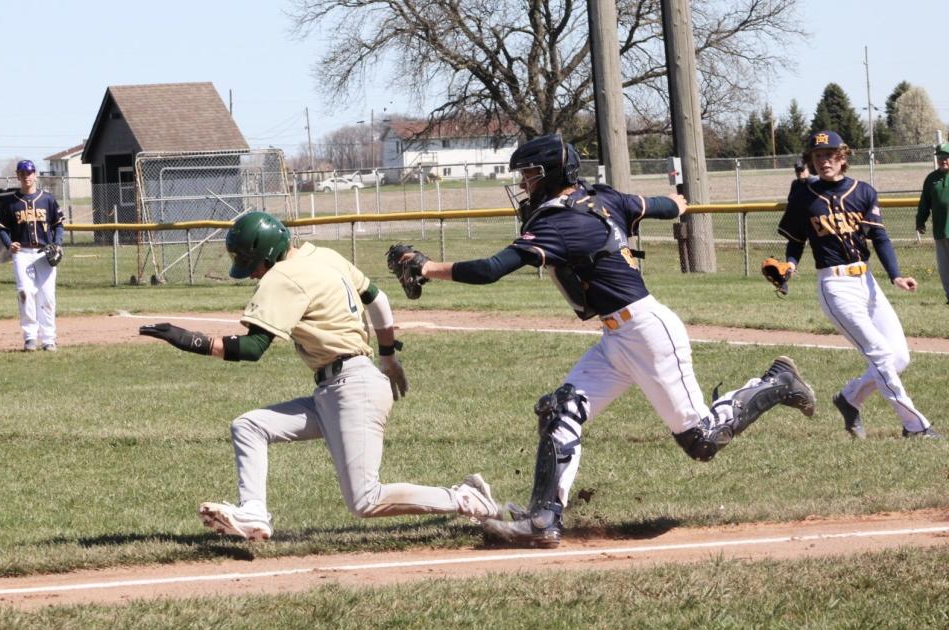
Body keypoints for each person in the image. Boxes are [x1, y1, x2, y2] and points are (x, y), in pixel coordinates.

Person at [397, 134, 816, 548]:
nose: (523, 184)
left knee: (701, 440)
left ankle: (779, 382)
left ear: (551, 174)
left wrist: (428, 267)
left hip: (648, 333)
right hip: (617, 337)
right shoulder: (601, 197)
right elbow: (667, 206)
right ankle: (543, 520)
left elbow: (491, 269)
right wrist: (676, 201)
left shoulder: (561, 221)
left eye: (528, 174)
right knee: (560, 410)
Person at [139, 211, 499, 541]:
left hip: (352, 390)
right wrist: (388, 357)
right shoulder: (323, 255)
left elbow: (252, 348)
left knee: (365, 500)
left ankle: (464, 498)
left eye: (251, 264)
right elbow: (378, 299)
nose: (249, 272)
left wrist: (189, 340)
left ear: (268, 254)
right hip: (340, 386)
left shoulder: (282, 278)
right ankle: (253, 514)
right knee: (250, 426)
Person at [779, 130, 941, 441]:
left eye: (830, 155)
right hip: (834, 286)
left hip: (866, 282)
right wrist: (790, 266)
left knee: (899, 357)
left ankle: (849, 398)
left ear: (842, 157)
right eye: (817, 156)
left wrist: (895, 274)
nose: (824, 161)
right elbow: (796, 242)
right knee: (879, 353)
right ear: (811, 162)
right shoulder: (803, 197)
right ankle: (915, 426)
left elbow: (879, 236)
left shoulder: (862, 191)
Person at [0, 160, 64, 351]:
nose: (26, 176)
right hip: (22, 253)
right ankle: (30, 337)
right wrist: (9, 244)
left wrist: (57, 244)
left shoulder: (47, 199)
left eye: (30, 172)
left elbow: (58, 224)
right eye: (22, 173)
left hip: (44, 254)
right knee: (25, 292)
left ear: (35, 175)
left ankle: (49, 339)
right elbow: (1, 228)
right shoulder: (11, 202)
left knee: (47, 296)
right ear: (18, 176)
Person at [915, 142, 949, 304]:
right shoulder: (931, 179)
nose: (943, 160)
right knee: (944, 268)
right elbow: (924, 203)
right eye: (940, 157)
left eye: (947, 157)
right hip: (940, 230)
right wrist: (920, 221)